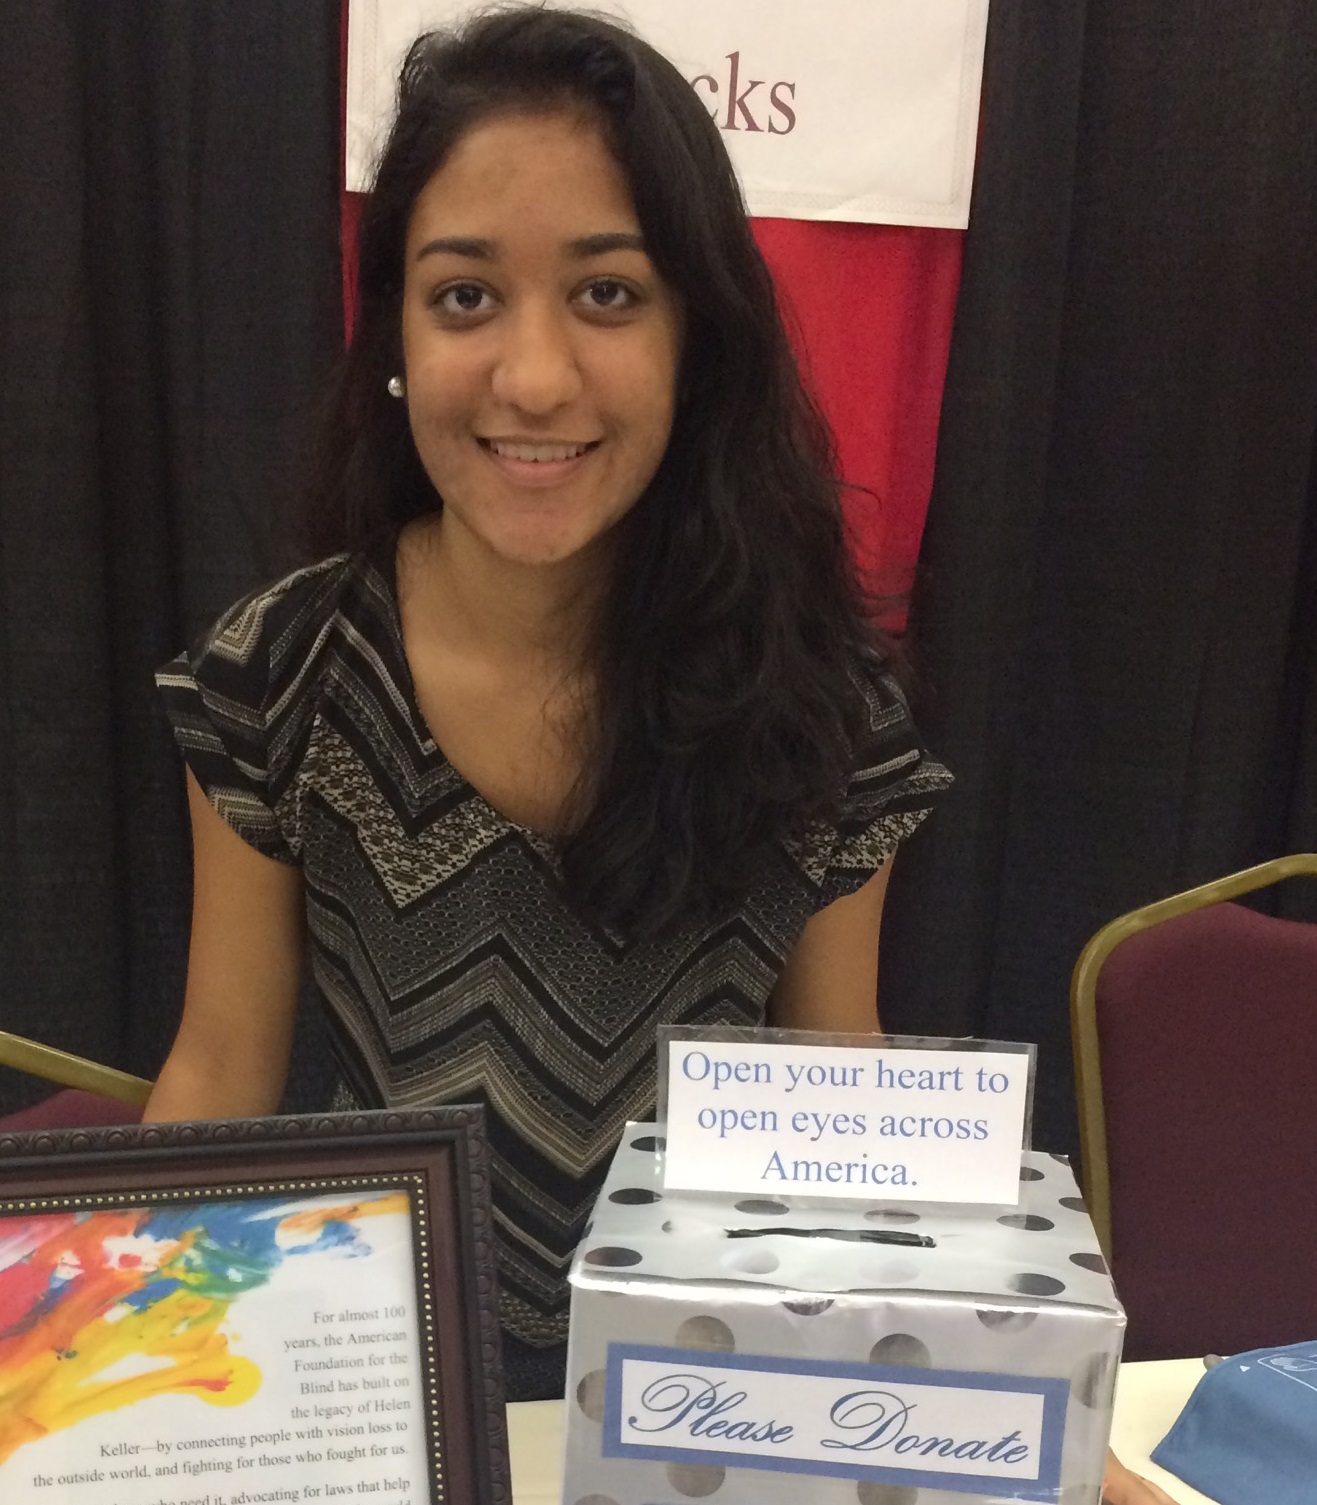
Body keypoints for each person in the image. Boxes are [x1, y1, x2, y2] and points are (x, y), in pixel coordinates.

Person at [145, 10, 1168, 1499]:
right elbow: (220, 1071)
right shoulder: (279, 673)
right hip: (380, 1398)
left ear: (697, 337)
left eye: (607, 293)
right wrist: (106, 1382)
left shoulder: (817, 699)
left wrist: (1027, 1417)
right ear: (394, 340)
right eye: (466, 296)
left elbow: (838, 1101)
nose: (535, 377)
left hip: (717, 1410)